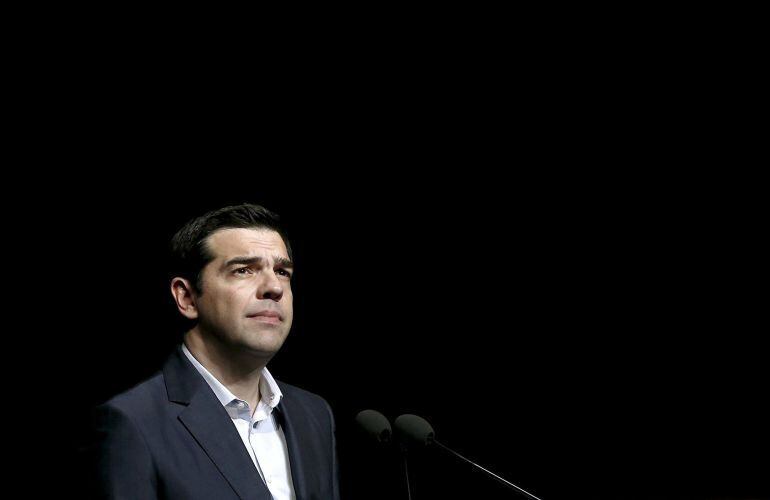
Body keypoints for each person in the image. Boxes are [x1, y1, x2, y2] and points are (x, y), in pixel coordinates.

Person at [92, 203, 339, 500]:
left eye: (282, 271)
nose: (274, 286)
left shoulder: (314, 414)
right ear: (187, 297)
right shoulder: (132, 422)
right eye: (243, 270)